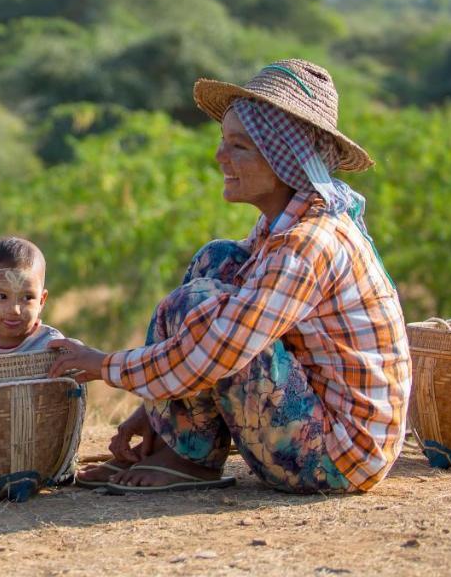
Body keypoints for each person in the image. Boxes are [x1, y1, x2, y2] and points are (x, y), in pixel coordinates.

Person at [48, 60, 409, 495]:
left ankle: (189, 459)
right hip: (317, 419)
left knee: (199, 308)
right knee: (218, 259)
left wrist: (101, 364)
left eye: (239, 146)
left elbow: (220, 350)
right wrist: (159, 411)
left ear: (284, 159)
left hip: (338, 459)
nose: (221, 156)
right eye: (224, 142)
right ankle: (176, 446)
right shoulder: (282, 229)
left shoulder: (306, 243)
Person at [0, 237, 73, 358]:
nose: (14, 310)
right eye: (1, 296)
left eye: (27, 297)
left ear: (41, 301)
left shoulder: (52, 347)